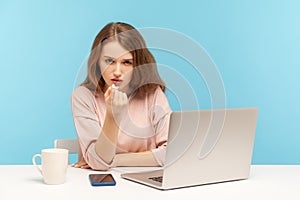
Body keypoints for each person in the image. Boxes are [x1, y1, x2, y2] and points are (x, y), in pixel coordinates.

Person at [71, 22, 171, 170]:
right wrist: (113, 116)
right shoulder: (83, 96)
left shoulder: (153, 94)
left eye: (126, 62)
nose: (117, 71)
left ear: (137, 64)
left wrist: (116, 160)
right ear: (97, 62)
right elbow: (100, 163)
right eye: (109, 61)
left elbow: (171, 152)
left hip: (145, 183)